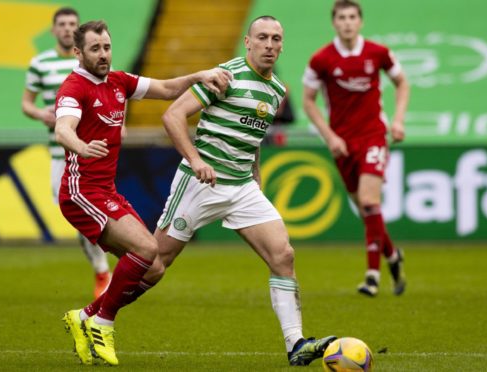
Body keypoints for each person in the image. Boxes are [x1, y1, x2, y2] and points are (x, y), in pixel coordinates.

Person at [134, 16, 336, 366]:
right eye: (262, 37)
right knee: (155, 265)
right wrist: (196, 160)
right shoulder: (224, 76)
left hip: (241, 187)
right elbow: (172, 115)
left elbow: (251, 136)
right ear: (248, 41)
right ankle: (99, 313)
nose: (270, 44)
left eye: (276, 38)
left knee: (283, 255)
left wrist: (255, 175)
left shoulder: (277, 91)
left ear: (282, 45)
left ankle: (296, 344)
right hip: (201, 183)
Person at [55, 20, 232, 366]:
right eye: (95, 49)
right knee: (148, 247)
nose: (104, 54)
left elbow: (166, 89)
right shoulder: (74, 88)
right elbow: (63, 128)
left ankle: (86, 315)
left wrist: (198, 75)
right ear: (78, 53)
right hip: (81, 192)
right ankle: (103, 324)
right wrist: (80, 146)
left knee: (153, 268)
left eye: (106, 47)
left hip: (105, 191)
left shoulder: (119, 81)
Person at [302, 0, 410, 297]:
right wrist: (329, 137)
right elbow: (308, 100)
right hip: (342, 143)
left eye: (352, 17)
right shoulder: (321, 59)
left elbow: (402, 83)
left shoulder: (378, 53)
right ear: (334, 22)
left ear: (360, 21)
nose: (347, 22)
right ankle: (392, 255)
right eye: (341, 18)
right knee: (366, 211)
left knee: (368, 201)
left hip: (374, 135)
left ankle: (372, 275)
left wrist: (398, 120)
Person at [21, 7, 112, 298]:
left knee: (93, 209)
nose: (66, 27)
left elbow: (110, 93)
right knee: (76, 213)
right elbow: (27, 103)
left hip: (93, 151)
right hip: (60, 152)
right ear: (53, 30)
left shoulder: (90, 61)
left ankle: (103, 272)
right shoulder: (40, 63)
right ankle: (103, 266)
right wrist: (40, 114)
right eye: (61, 24)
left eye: (72, 23)